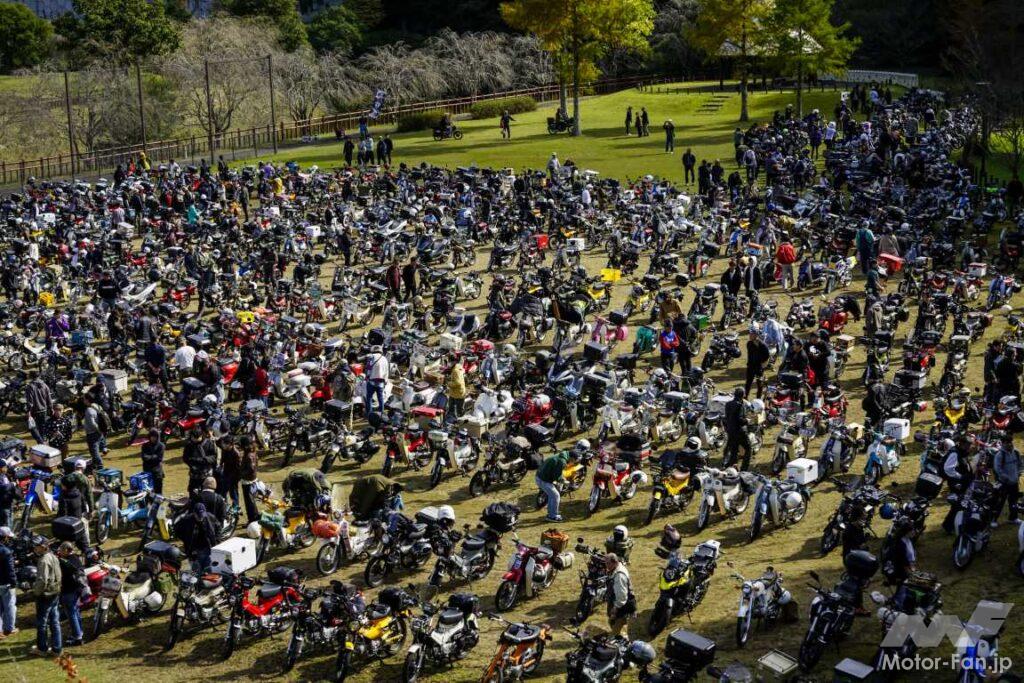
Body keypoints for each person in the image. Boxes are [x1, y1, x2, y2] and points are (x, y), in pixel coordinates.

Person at [32, 535, 61, 655]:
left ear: (44, 547)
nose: (35, 548)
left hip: (45, 595)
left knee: (42, 623)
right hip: (55, 592)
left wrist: (36, 593)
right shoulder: (53, 556)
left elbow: (42, 580)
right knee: (55, 622)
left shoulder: (43, 560)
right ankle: (57, 649)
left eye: (37, 546)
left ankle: (42, 648)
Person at [56, 542, 84, 647]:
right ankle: (79, 632)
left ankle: (77, 637)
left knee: (71, 614)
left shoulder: (64, 562)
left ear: (66, 550)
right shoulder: (76, 559)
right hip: (77, 589)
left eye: (61, 550)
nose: (59, 552)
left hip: (68, 591)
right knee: (76, 611)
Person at [605, 553, 635, 637]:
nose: (606, 566)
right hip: (618, 604)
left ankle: (621, 638)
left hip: (622, 608)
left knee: (616, 632)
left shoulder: (619, 576)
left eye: (608, 563)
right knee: (612, 624)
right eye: (605, 563)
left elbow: (622, 597)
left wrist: (615, 609)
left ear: (615, 562)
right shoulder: (615, 569)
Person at [536, 449, 570, 523]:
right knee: (556, 496)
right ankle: (552, 516)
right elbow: (557, 477)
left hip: (540, 476)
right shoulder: (562, 462)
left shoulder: (560, 455)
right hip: (543, 480)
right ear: (572, 458)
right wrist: (564, 481)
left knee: (552, 495)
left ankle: (550, 513)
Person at [993, 435, 1021, 523]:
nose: (1009, 444)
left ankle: (1013, 518)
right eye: (1007, 443)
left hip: (1014, 482)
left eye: (1010, 442)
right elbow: (997, 469)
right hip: (1004, 483)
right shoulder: (1000, 455)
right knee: (999, 502)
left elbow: (1020, 464)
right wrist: (1006, 478)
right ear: (1003, 443)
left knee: (1014, 501)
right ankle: (994, 520)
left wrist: (1018, 473)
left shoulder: (1016, 452)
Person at [183, 428, 217, 495]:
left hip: (206, 472)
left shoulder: (209, 443)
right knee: (193, 491)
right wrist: (192, 463)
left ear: (201, 436)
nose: (195, 440)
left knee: (207, 491)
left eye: (197, 438)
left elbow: (214, 457)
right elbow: (185, 458)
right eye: (193, 438)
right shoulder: (189, 445)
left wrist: (204, 460)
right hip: (194, 472)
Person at [724, 387, 751, 469]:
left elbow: (728, 417)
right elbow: (739, 420)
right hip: (740, 431)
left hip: (730, 430)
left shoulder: (728, 404)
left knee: (734, 450)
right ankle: (744, 468)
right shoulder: (740, 405)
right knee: (748, 449)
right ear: (743, 395)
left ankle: (733, 468)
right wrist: (747, 420)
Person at [81, 396, 110, 470]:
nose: (83, 401)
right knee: (96, 449)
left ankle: (100, 467)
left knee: (94, 452)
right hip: (99, 432)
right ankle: (94, 465)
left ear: (87, 400)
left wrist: (98, 430)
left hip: (93, 433)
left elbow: (92, 423)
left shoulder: (89, 410)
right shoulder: (97, 406)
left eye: (84, 399)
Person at [238, 436, 260, 523]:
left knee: (249, 503)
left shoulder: (249, 455)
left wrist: (240, 473)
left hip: (248, 481)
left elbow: (251, 469)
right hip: (251, 480)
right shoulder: (252, 452)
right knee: (251, 502)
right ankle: (253, 518)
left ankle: (253, 520)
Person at [25, 376, 53, 444]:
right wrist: (51, 408)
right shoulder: (45, 385)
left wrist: (29, 411)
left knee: (32, 428)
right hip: (44, 410)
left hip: (35, 411)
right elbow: (49, 398)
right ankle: (42, 443)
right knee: (42, 428)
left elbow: (30, 401)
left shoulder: (30, 386)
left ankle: (41, 442)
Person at [0, 527, 17, 639]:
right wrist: (13, 582)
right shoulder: (6, 551)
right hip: (5, 583)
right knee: (10, 606)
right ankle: (9, 628)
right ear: (5, 537)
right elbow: (10, 569)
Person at [364, 345, 389, 418]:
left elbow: (368, 369)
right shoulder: (384, 359)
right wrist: (385, 381)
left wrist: (367, 377)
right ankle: (381, 414)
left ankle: (369, 414)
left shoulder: (371, 357)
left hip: (371, 381)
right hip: (381, 382)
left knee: (369, 398)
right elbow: (387, 371)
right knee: (380, 398)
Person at [745, 331, 771, 399]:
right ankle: (746, 396)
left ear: (756, 335)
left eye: (751, 334)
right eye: (750, 334)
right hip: (750, 367)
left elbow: (767, 356)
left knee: (759, 384)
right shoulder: (749, 343)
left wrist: (762, 364)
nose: (749, 335)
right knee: (748, 382)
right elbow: (750, 355)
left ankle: (758, 398)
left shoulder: (763, 345)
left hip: (758, 368)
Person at [140, 429, 165, 495]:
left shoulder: (161, 446)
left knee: (158, 491)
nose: (153, 438)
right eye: (152, 436)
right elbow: (143, 457)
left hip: (157, 471)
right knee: (148, 490)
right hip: (147, 470)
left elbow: (159, 458)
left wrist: (149, 457)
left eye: (155, 436)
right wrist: (153, 457)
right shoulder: (145, 445)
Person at [0, 464, 14, 529]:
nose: (6, 468)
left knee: (10, 518)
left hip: (8, 502)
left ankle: (10, 532)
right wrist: (12, 484)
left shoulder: (4, 475)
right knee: (6, 521)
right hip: (3, 504)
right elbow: (3, 488)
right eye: (4, 467)